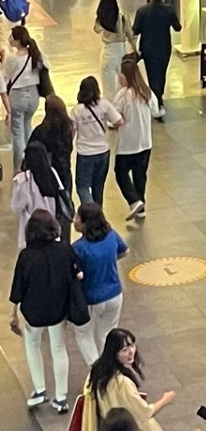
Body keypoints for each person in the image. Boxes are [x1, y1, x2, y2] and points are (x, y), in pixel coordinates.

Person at [8, 210, 76, 413]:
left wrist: (13, 313)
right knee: (59, 349)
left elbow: (18, 287)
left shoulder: (26, 255)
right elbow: (73, 275)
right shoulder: (64, 250)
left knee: (32, 345)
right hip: (58, 309)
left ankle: (39, 390)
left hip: (33, 312)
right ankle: (61, 397)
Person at [81, 328, 175, 431]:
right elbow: (143, 413)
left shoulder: (97, 372)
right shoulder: (123, 383)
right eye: (124, 350)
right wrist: (165, 400)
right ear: (114, 353)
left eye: (131, 346)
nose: (131, 352)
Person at [72, 204, 129, 366]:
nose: (74, 220)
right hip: (115, 294)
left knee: (84, 334)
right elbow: (124, 251)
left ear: (85, 223)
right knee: (107, 334)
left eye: (77, 217)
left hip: (91, 299)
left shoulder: (78, 248)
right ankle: (111, 368)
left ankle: (96, 369)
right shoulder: (112, 236)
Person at [131, 0, 181, 117]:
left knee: (152, 75)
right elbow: (177, 27)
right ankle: (158, 98)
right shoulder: (169, 9)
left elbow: (135, 30)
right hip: (164, 47)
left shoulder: (142, 11)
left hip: (148, 48)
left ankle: (156, 100)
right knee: (161, 73)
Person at [112, 57, 153, 221]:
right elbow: (155, 110)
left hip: (128, 144)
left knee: (120, 172)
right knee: (140, 175)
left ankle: (134, 200)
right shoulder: (146, 92)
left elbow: (114, 118)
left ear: (126, 76)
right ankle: (141, 206)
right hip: (145, 142)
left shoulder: (123, 95)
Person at [3, 25, 49, 170]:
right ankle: (30, 162)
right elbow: (46, 66)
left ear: (17, 40)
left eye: (11, 37)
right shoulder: (35, 54)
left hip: (17, 96)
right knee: (28, 126)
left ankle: (18, 167)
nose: (9, 39)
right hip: (34, 95)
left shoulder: (12, 59)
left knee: (17, 132)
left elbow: (4, 77)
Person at [72, 76, 123, 206]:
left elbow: (71, 132)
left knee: (83, 187)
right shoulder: (105, 105)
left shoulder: (77, 110)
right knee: (98, 188)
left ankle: (90, 211)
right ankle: (98, 213)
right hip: (103, 151)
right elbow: (119, 121)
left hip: (85, 153)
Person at [11, 142, 62, 249]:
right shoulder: (52, 173)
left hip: (31, 227)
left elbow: (16, 206)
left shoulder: (24, 179)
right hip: (51, 224)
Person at [29, 94, 74, 196]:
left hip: (47, 174)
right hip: (65, 170)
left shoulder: (40, 130)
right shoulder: (68, 127)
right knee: (65, 199)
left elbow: (31, 151)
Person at [95, 0, 137, 99]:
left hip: (107, 52)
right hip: (121, 52)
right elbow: (130, 35)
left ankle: (110, 105)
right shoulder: (123, 18)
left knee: (108, 86)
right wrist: (135, 50)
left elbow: (96, 30)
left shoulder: (101, 20)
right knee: (123, 83)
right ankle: (122, 103)